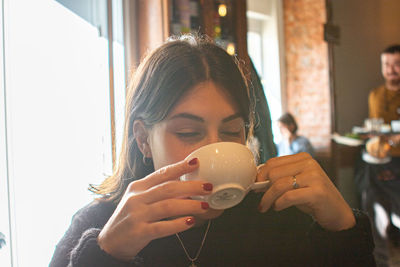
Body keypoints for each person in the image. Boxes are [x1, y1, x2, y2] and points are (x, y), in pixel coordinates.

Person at [49, 34, 375, 266]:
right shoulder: (101, 225)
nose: (214, 149)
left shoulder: (276, 213)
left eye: (232, 132)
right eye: (189, 132)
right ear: (144, 139)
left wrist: (342, 228)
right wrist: (105, 256)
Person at [356, 44, 400, 266]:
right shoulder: (375, 95)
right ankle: (381, 260)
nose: (392, 69)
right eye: (387, 65)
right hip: (378, 162)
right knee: (373, 209)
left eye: (397, 64)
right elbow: (375, 130)